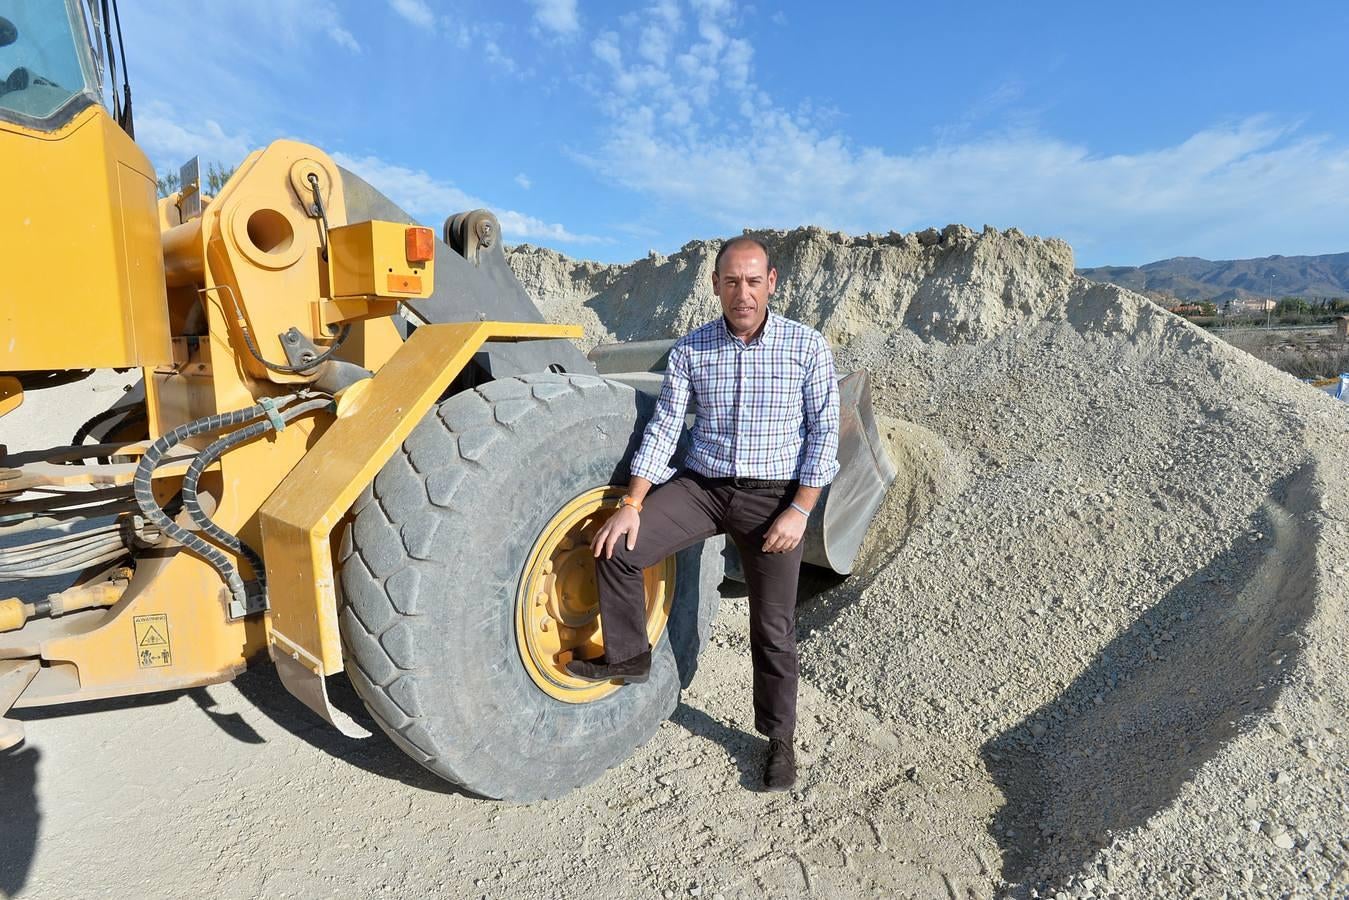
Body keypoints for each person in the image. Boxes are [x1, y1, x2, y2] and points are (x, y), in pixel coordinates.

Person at [566, 235, 840, 792]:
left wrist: (799, 511)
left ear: (772, 282)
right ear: (715, 285)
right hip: (702, 487)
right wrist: (633, 503)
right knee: (617, 548)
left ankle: (779, 740)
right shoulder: (693, 350)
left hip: (772, 501)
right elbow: (665, 428)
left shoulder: (806, 347)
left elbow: (824, 435)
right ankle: (628, 657)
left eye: (753, 280)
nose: (743, 292)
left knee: (773, 628)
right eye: (732, 281)